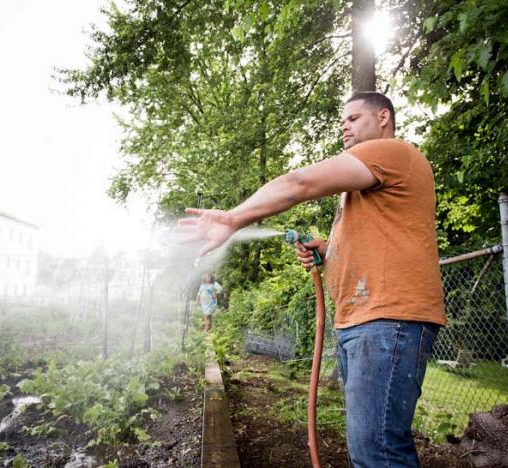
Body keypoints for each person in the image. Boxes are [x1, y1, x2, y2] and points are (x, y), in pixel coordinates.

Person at [180, 91, 447, 467]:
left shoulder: (392, 152)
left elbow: (299, 183)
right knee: (371, 448)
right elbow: (371, 241)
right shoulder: (367, 184)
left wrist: (233, 217)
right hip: (368, 320)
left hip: (389, 319)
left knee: (379, 452)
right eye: (344, 120)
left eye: (354, 118)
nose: (345, 125)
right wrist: (326, 248)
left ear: (383, 117)